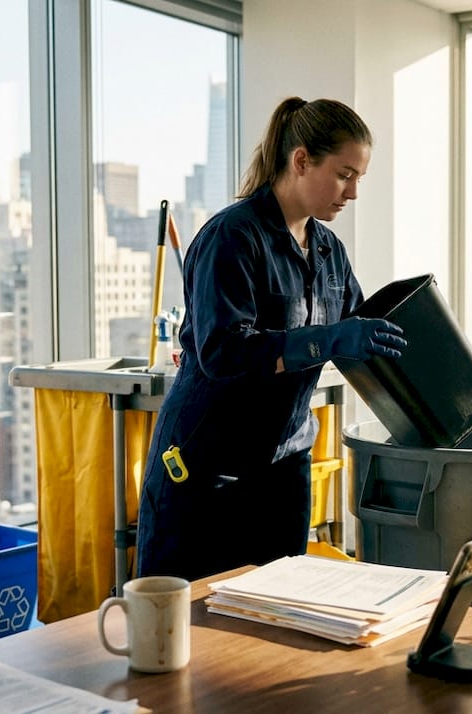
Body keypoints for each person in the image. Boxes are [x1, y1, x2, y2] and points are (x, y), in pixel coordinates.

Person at [135, 97, 406, 581]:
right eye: (345, 174)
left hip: (283, 469)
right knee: (193, 630)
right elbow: (225, 353)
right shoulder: (232, 237)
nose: (354, 192)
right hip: (207, 470)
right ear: (301, 161)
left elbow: (361, 333)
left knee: (277, 619)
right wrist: (329, 340)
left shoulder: (328, 250)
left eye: (359, 178)